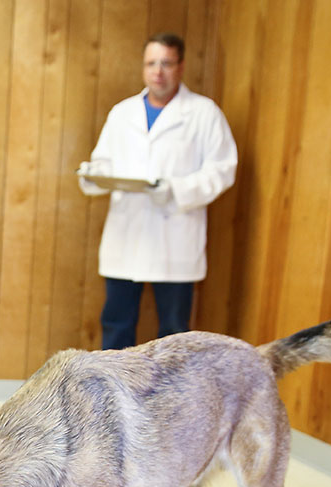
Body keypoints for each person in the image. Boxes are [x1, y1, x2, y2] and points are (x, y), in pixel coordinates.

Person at [79, 33, 237, 350]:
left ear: (181, 66)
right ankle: (113, 396)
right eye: (151, 63)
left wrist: (177, 190)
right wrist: (94, 175)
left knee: (175, 331)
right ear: (143, 67)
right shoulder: (122, 114)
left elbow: (223, 169)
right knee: (116, 324)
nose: (158, 72)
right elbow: (104, 164)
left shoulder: (204, 114)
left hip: (174, 236)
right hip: (126, 236)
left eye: (166, 63)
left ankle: (171, 399)